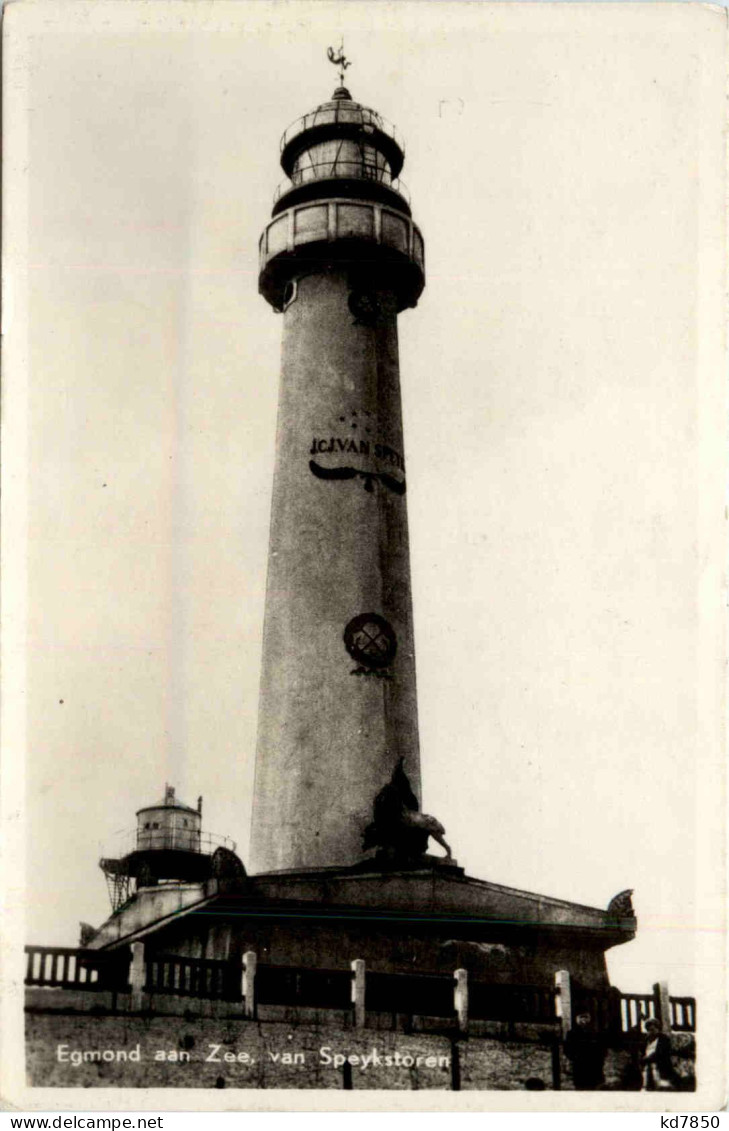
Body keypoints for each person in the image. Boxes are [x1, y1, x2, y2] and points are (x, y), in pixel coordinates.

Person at [564, 1011, 607, 1090]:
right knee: (581, 1087)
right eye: (581, 1018)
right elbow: (567, 1049)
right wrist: (575, 1057)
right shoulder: (572, 1033)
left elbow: (602, 1049)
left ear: (589, 1019)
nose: (584, 1020)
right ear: (577, 1019)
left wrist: (600, 1060)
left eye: (586, 1017)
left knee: (594, 1087)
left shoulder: (594, 1033)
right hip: (579, 1066)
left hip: (593, 1066)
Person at [641, 1018, 676, 1090]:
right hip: (647, 1066)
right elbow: (642, 1052)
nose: (650, 1032)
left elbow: (660, 1054)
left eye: (652, 1030)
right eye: (648, 1030)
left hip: (660, 1065)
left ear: (658, 1029)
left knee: (661, 1085)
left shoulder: (664, 1039)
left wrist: (647, 1059)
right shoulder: (646, 1040)